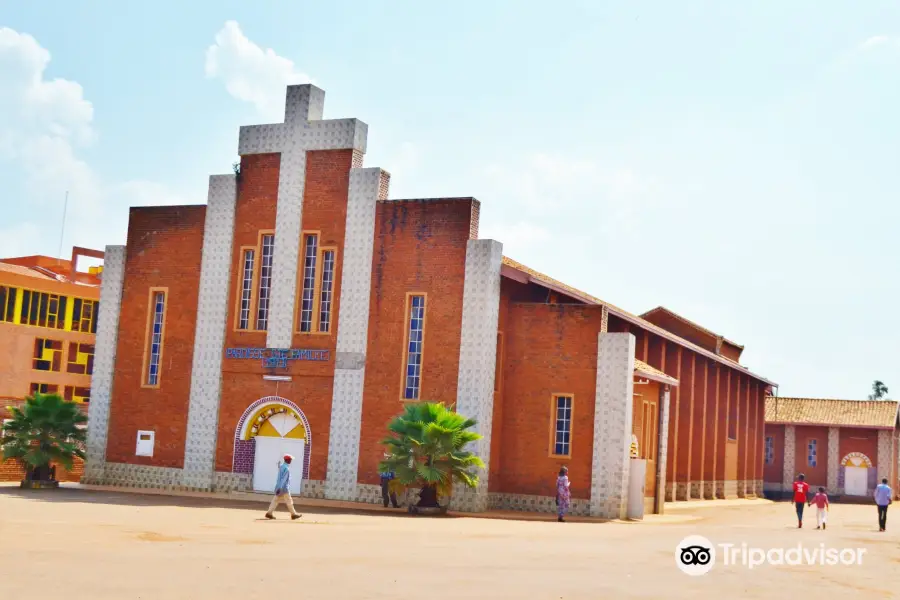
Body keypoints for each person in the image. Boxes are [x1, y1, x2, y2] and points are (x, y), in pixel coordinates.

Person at [265, 454, 301, 520]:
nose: (291, 461)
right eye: (290, 460)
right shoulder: (286, 469)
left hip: (279, 486)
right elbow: (283, 479)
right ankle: (293, 514)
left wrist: (278, 487)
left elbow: (280, 476)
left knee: (275, 500)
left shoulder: (281, 467)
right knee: (289, 501)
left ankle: (269, 513)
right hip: (284, 488)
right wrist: (280, 488)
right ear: (287, 460)